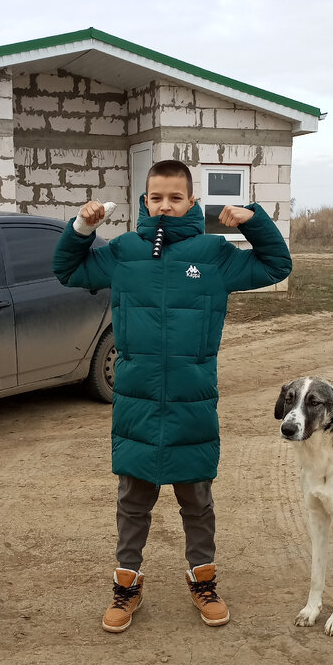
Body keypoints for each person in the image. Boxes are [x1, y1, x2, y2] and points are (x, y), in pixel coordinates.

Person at [53, 159, 292, 632]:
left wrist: (256, 221)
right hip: (137, 402)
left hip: (192, 400)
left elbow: (275, 266)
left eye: (175, 198)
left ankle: (203, 581)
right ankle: (127, 587)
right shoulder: (122, 252)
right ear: (145, 201)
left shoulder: (213, 253)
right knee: (133, 501)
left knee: (197, 500)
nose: (165, 206)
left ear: (192, 202)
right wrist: (81, 227)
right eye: (156, 197)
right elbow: (67, 270)